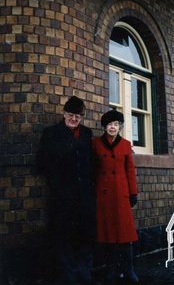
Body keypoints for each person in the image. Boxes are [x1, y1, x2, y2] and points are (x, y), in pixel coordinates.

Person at [38, 96, 97, 285]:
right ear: (64, 114)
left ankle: (84, 274)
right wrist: (58, 185)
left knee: (85, 235)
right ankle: (69, 277)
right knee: (63, 237)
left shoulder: (87, 134)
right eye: (71, 115)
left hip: (85, 197)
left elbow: (93, 163)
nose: (74, 119)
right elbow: (42, 163)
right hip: (62, 197)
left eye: (78, 116)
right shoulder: (51, 133)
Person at [93, 109, 139, 284]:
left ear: (119, 127)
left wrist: (133, 192)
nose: (113, 127)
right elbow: (93, 169)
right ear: (104, 126)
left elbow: (130, 170)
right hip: (103, 195)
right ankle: (111, 269)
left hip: (121, 195)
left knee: (125, 235)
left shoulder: (126, 144)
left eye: (116, 124)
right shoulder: (96, 143)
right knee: (108, 235)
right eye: (110, 124)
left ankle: (129, 269)